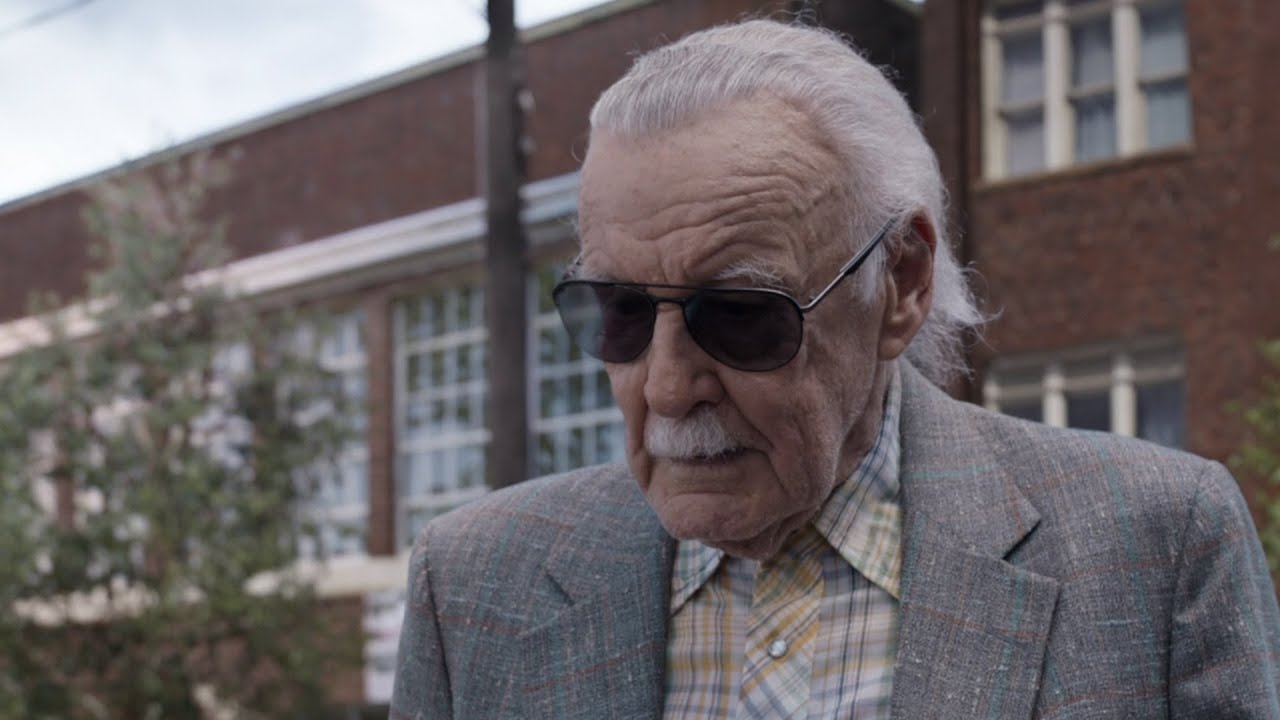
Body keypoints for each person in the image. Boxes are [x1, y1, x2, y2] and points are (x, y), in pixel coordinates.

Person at [390, 18, 1280, 719]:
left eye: (740, 315)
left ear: (902, 281)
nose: (666, 387)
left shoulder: (1160, 549)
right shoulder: (470, 588)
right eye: (620, 310)